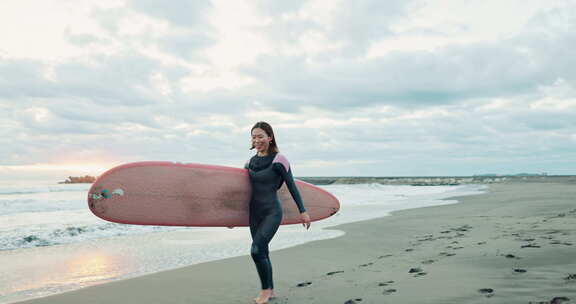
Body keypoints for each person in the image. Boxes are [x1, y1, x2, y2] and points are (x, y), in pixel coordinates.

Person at [244, 121, 311, 304]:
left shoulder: (279, 160)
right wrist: (229, 215)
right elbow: (242, 191)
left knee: (256, 251)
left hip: (272, 212)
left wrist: (303, 211)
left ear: (270, 138)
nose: (257, 140)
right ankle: (270, 290)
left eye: (260, 136)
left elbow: (291, 186)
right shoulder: (249, 162)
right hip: (254, 213)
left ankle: (265, 291)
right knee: (262, 251)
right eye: (254, 136)